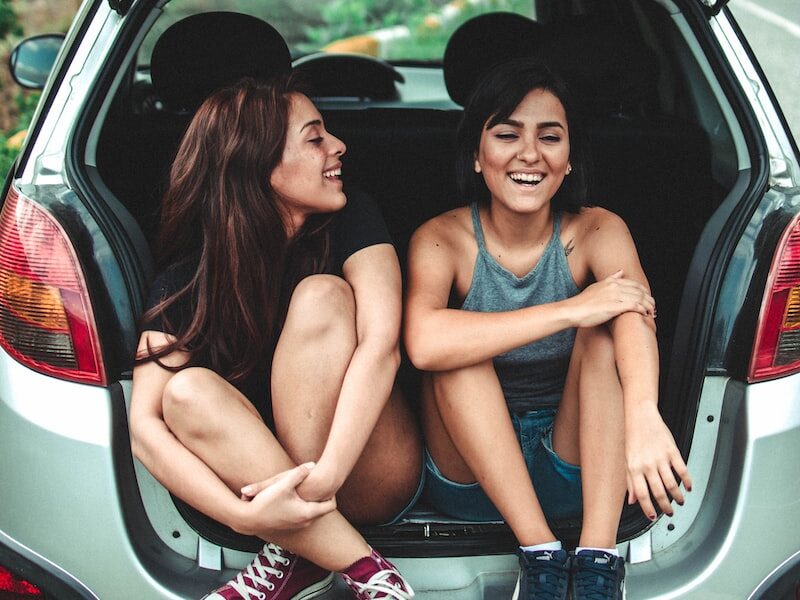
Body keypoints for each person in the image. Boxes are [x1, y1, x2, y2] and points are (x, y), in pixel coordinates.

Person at [404, 58, 692, 600]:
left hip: (579, 470)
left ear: (568, 159)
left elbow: (634, 311)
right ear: (477, 153)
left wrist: (644, 417)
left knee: (607, 326)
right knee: (453, 348)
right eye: (507, 134)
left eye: (550, 137)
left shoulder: (599, 228)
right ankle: (539, 558)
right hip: (471, 476)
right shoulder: (441, 237)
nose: (529, 154)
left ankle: (598, 562)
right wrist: (569, 309)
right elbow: (421, 343)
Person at [129, 75, 421, 600]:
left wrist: (323, 480)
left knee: (321, 295)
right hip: (269, 494)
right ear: (257, 166)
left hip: (367, 468)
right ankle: (369, 575)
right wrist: (242, 517)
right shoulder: (189, 277)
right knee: (183, 391)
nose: (338, 146)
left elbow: (383, 346)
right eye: (315, 139)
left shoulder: (355, 218)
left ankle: (293, 552)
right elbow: (144, 427)